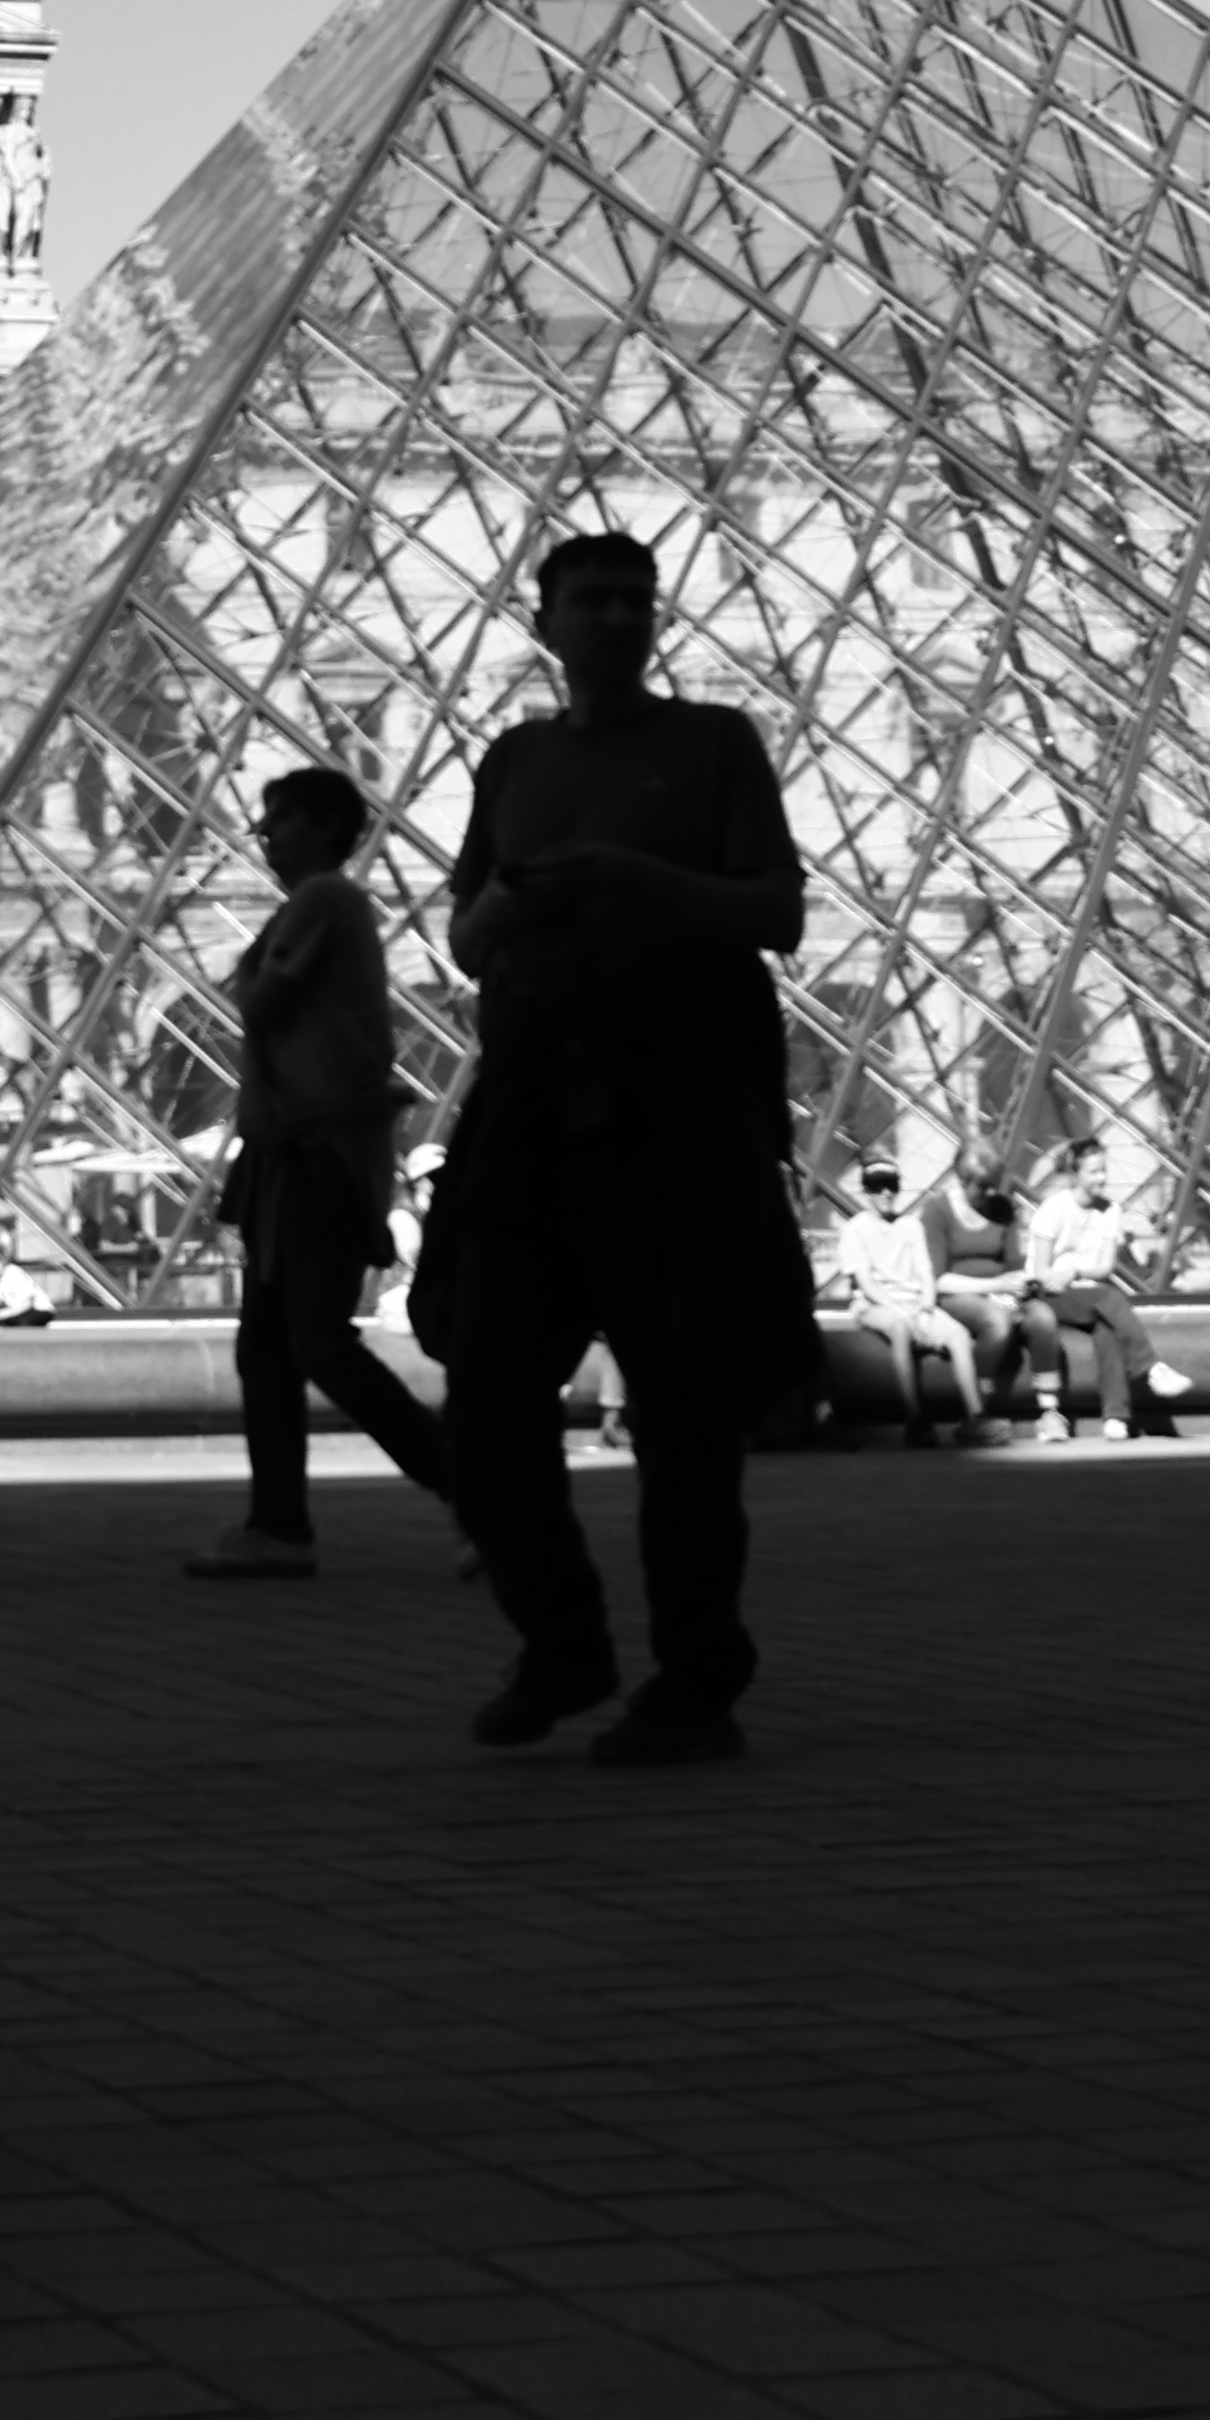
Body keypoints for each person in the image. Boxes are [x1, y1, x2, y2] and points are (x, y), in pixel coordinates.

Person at [420, 531, 815, 1767]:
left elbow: (778, 911)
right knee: (486, 1396)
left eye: (635, 598)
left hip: (673, 1109)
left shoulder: (714, 743)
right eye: (589, 598)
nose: (616, 616)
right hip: (533, 1106)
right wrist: (514, 903)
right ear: (541, 620)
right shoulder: (513, 758)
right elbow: (464, 936)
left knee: (683, 1415)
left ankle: (695, 1680)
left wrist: (627, 876)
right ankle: (563, 1640)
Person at [186, 764, 455, 1581]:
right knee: (270, 1349)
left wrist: (249, 973)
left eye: (281, 817)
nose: (264, 833)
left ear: (329, 826)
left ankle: (480, 1495)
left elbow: (262, 1004)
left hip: (317, 1154)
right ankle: (278, 1524)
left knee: (314, 1343)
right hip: (294, 1154)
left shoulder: (325, 900)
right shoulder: (319, 904)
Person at [1021, 1139, 1191, 1443]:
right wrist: (1062, 1278)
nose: (1101, 1178)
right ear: (1075, 1174)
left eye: (1103, 1170)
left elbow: (1105, 1267)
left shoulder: (1111, 1210)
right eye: (1093, 1172)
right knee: (1111, 1298)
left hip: (1089, 1294)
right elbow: (1040, 1271)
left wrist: (1074, 1272)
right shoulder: (1054, 1209)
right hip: (1050, 1295)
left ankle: (1116, 1417)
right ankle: (1151, 1367)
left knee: (1107, 1329)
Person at [833, 1159, 977, 1445]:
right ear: (866, 1191)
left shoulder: (911, 1225)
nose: (886, 1193)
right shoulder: (855, 1229)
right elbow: (867, 1284)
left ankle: (976, 1416)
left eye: (891, 1186)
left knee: (959, 1334)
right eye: (877, 1187)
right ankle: (915, 1418)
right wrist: (903, 1311)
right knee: (899, 1328)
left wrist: (926, 1306)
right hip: (873, 1305)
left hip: (914, 1302)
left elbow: (925, 1272)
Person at [921, 1148, 1037, 1431]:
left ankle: (1049, 1409)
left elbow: (1014, 1263)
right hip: (955, 1295)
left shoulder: (1003, 1207)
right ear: (962, 1181)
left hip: (1000, 1292)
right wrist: (996, 1286)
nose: (990, 1193)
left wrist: (1017, 1286)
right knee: (996, 1322)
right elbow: (937, 1279)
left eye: (994, 1185)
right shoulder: (937, 1211)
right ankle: (975, 1407)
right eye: (983, 1186)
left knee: (1040, 1317)